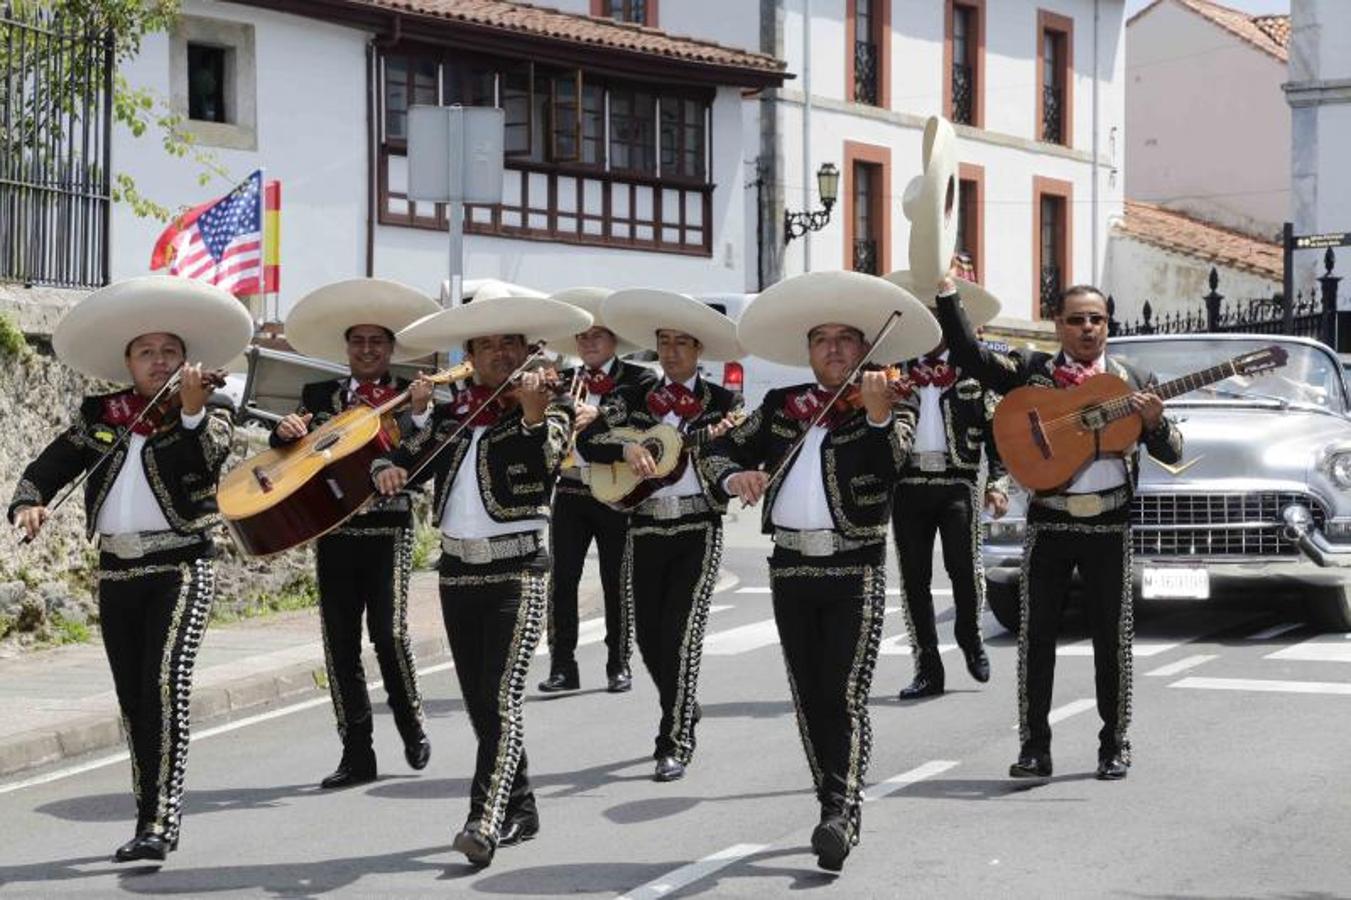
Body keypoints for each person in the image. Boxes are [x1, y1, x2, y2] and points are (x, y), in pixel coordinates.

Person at [8, 276, 251, 862]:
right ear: (128, 362)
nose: (159, 362)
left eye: (169, 352)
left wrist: (190, 415)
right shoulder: (104, 415)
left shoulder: (208, 408)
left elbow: (205, 463)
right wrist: (28, 501)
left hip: (183, 566)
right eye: (147, 353)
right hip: (117, 572)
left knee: (164, 685)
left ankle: (161, 822)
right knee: (134, 698)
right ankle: (148, 813)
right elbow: (52, 463)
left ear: (185, 359)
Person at [700, 270, 936, 872]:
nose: (833, 348)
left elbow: (892, 468)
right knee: (809, 696)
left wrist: (880, 417)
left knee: (844, 691)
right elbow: (717, 451)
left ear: (865, 349)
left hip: (853, 565)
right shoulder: (784, 407)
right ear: (808, 352)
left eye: (846, 339)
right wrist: (736, 477)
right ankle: (832, 799)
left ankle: (839, 810)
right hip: (789, 566)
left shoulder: (891, 399)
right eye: (821, 339)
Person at [934, 273, 1183, 780]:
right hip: (1050, 521)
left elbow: (1173, 450)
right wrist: (947, 297)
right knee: (1037, 637)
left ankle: (1114, 743)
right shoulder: (1032, 372)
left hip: (1110, 523)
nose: (1088, 329)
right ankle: (1034, 748)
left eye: (1097, 319)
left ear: (1107, 324)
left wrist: (1154, 422)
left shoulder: (1133, 377)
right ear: (1058, 326)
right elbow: (970, 357)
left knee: (1112, 639)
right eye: (1077, 320)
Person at [373, 293, 589, 867]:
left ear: (527, 350)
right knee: (479, 705)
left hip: (519, 568)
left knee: (501, 697)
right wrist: (401, 442)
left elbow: (543, 461)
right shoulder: (454, 411)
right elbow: (408, 462)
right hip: (457, 570)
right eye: (486, 345)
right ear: (469, 354)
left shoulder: (553, 403)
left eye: (509, 344)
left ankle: (483, 820)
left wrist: (535, 411)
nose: (498, 353)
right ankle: (522, 806)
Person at [270, 279, 441, 788]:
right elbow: (287, 454)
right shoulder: (319, 395)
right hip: (335, 530)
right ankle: (356, 752)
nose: (367, 350)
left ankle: (411, 725)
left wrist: (419, 415)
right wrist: (281, 435)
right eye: (358, 341)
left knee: (389, 635)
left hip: (389, 528)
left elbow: (426, 458)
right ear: (347, 348)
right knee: (339, 645)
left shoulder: (411, 396)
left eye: (377, 342)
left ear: (390, 350)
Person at [576, 289, 741, 783]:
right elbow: (588, 439)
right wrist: (624, 451)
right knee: (647, 637)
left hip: (697, 526)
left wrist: (729, 455)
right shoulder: (634, 397)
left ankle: (673, 740)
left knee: (682, 633)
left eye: (681, 343)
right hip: (644, 523)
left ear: (699, 350)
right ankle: (683, 702)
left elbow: (737, 450)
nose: (670, 352)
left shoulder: (724, 402)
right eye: (664, 342)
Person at [881, 268, 1006, 699]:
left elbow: (998, 435)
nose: (933, 327)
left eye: (941, 316)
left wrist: (999, 484)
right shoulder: (894, 374)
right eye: (925, 318)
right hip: (909, 486)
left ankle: (970, 638)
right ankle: (927, 667)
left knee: (964, 571)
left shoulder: (974, 373)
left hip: (958, 484)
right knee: (913, 579)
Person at [539, 288, 656, 694]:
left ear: (613, 342)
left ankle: (618, 663)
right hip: (571, 490)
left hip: (617, 490)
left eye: (597, 336)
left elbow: (642, 420)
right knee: (563, 579)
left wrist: (601, 413)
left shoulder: (640, 379)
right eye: (583, 337)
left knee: (617, 580)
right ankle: (561, 665)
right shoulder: (567, 381)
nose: (588, 343)